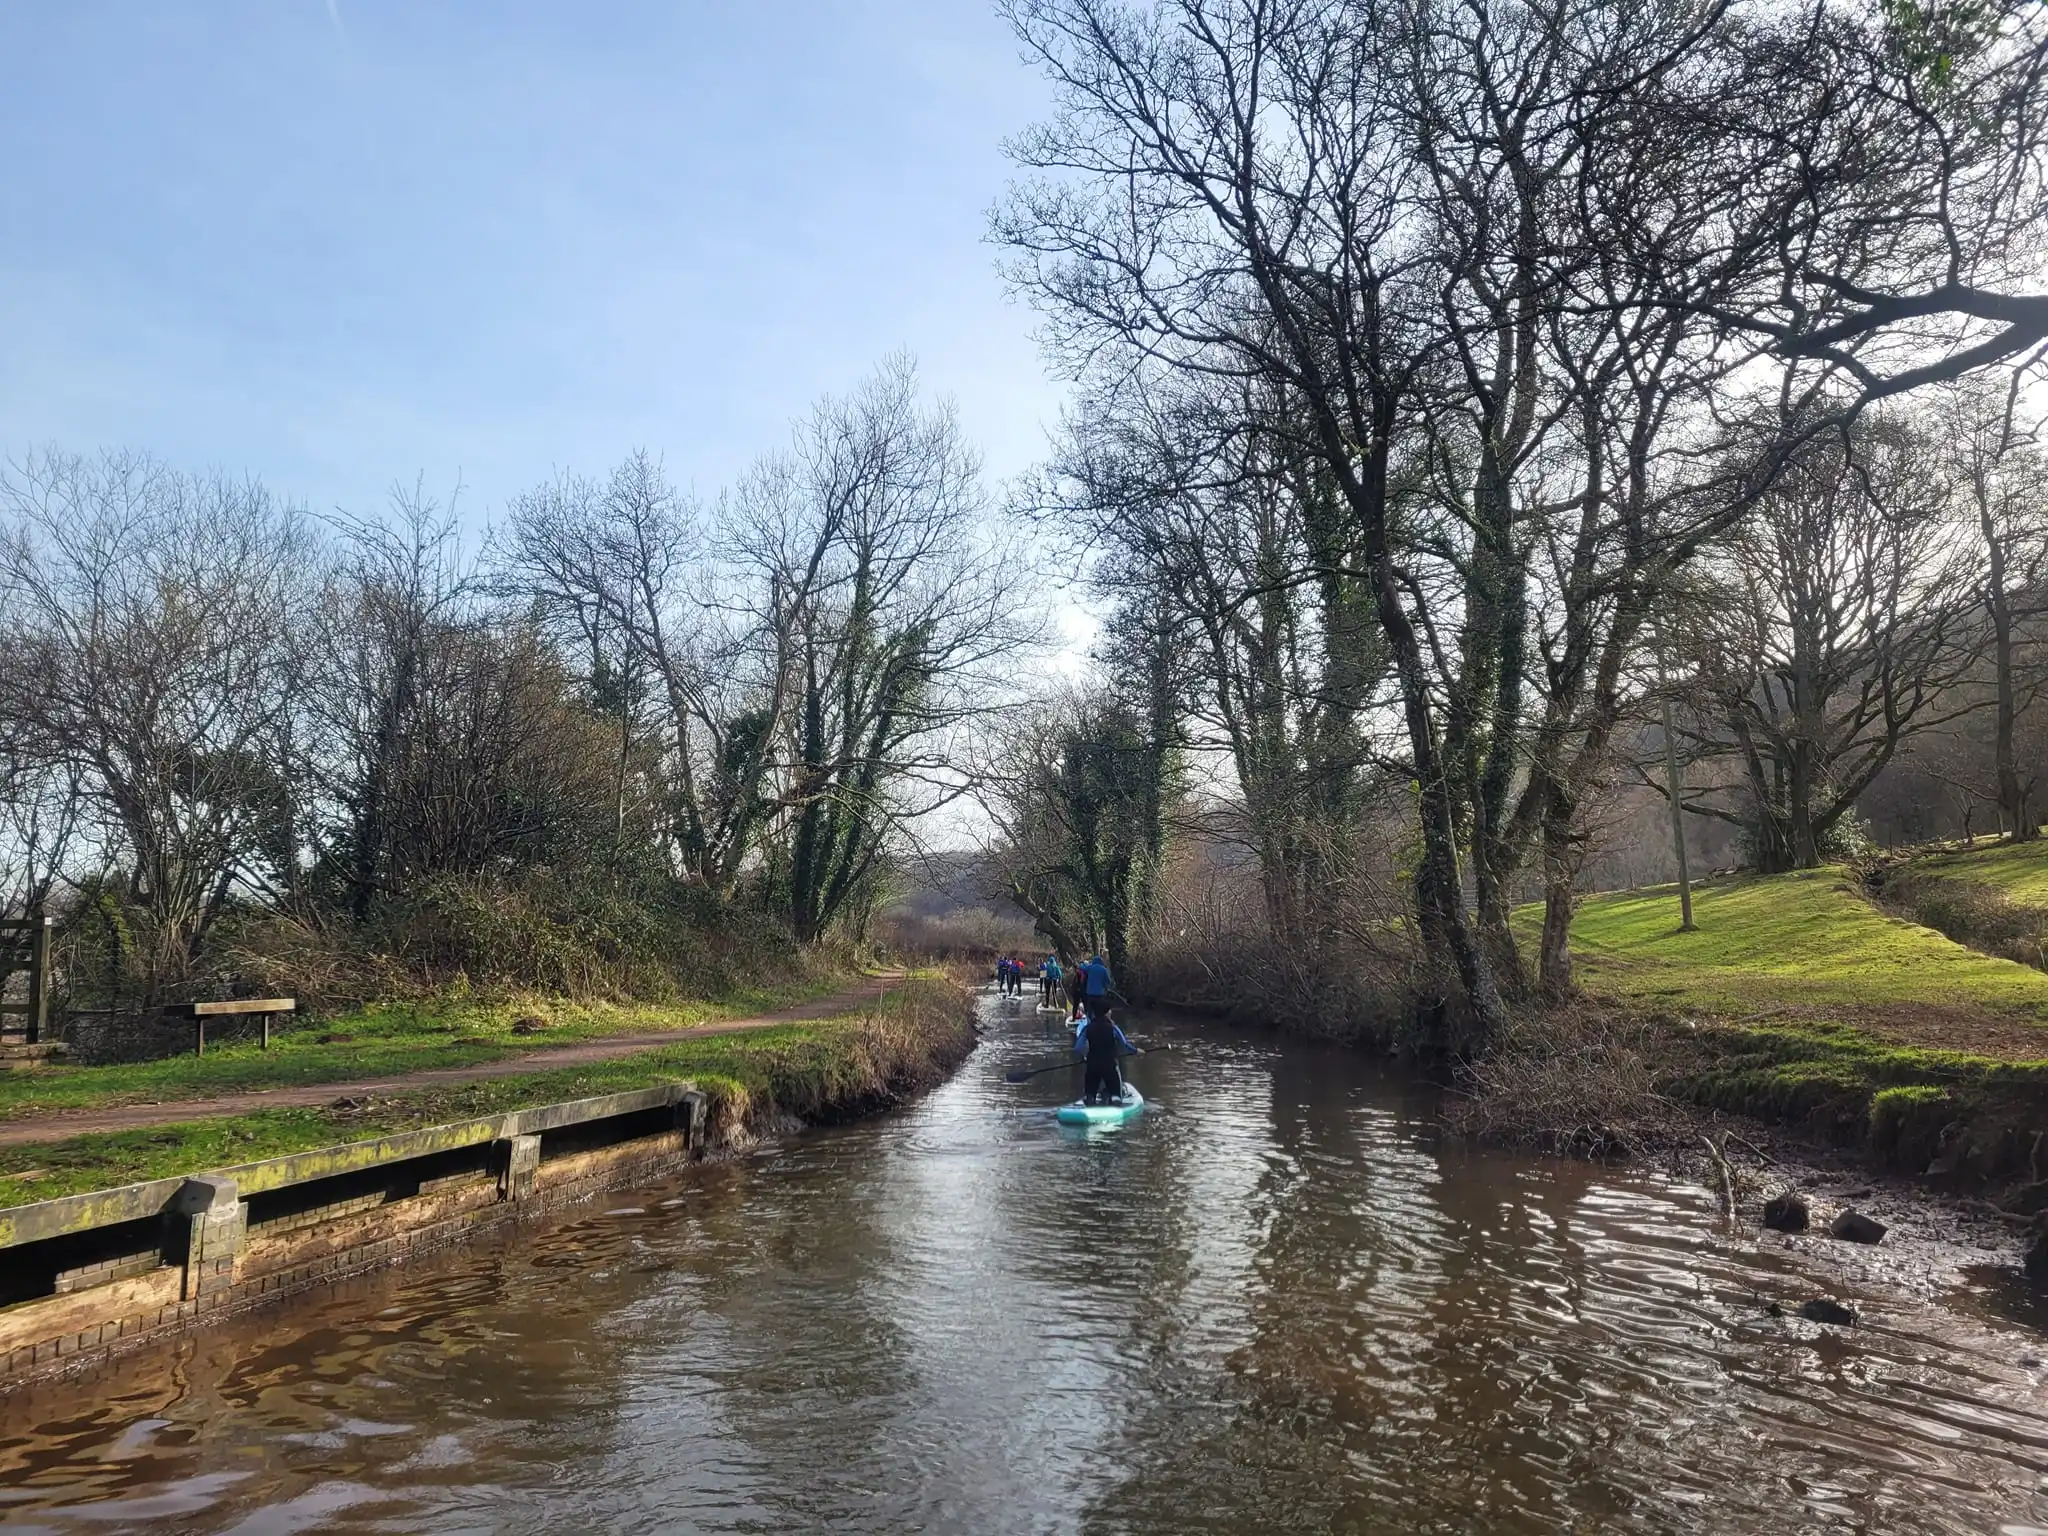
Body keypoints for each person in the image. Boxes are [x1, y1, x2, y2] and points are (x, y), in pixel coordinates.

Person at [1073, 1007, 1136, 1105]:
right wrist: (1136, 1051)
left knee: (1090, 1095)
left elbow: (1077, 1048)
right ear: (1107, 1013)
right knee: (1116, 1095)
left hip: (1092, 1065)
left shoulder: (1087, 1028)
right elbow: (1125, 1044)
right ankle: (1115, 1100)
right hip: (1109, 1065)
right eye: (1109, 1011)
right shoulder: (1113, 1028)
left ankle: (1090, 1099)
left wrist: (1084, 1057)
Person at [1076, 952, 1113, 1022]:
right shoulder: (1104, 970)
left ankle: (1090, 1022)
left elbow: (1082, 968)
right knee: (1099, 1010)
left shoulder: (1090, 967)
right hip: (1100, 994)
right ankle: (1100, 1022)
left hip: (1090, 994)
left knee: (1090, 1010)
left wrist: (1079, 964)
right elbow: (1108, 981)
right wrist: (1105, 987)